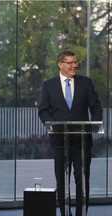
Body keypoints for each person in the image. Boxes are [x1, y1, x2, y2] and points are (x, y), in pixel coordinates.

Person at [38, 50, 103, 216]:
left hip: (82, 140)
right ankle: (65, 214)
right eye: (70, 63)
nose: (75, 65)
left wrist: (93, 124)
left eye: (76, 62)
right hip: (60, 141)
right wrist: (51, 124)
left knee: (82, 180)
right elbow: (43, 111)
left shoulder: (86, 83)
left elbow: (95, 106)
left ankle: (81, 214)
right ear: (60, 64)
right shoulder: (49, 85)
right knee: (62, 180)